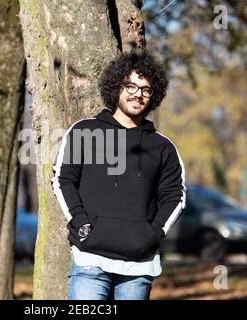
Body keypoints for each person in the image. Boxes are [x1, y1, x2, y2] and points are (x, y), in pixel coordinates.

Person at [51, 50, 186, 300]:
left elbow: (175, 196)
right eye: (131, 85)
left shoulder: (163, 147)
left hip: (139, 265)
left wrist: (154, 233)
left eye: (146, 89)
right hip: (90, 258)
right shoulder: (84, 131)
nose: (138, 94)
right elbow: (63, 180)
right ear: (116, 87)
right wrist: (80, 223)